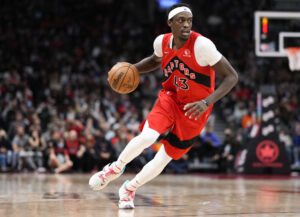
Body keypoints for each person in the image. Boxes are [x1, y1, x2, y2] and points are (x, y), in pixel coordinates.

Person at [89, 3, 238, 209]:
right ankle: (114, 168)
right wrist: (132, 69)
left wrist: (207, 102)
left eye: (189, 21)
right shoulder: (162, 42)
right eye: (181, 20)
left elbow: (232, 76)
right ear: (170, 23)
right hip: (171, 97)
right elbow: (153, 61)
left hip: (195, 108)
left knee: (164, 158)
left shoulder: (202, 46)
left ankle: (129, 189)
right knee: (149, 136)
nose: (186, 25)